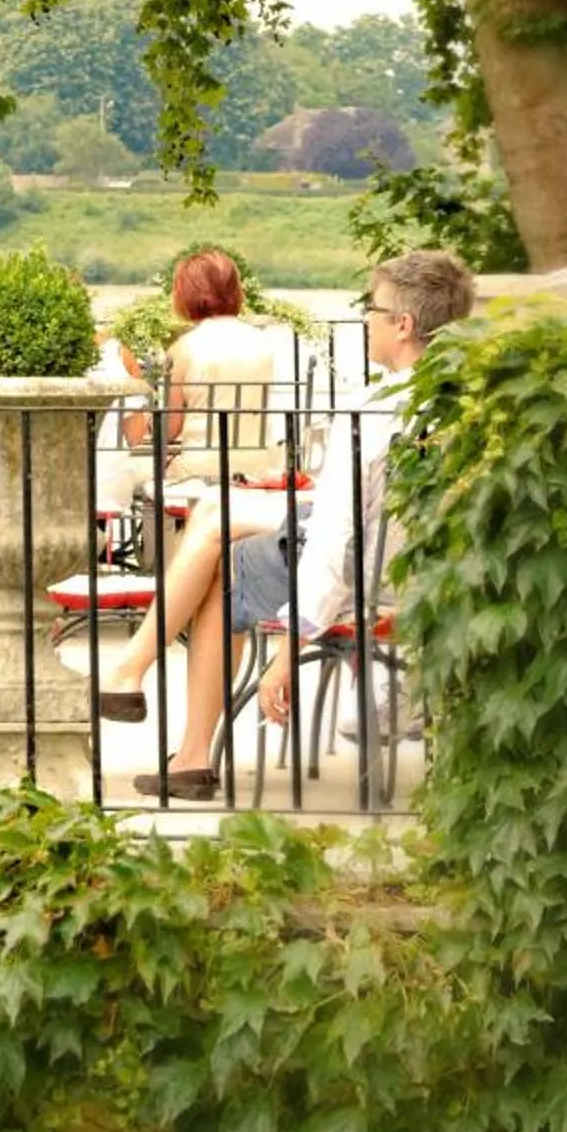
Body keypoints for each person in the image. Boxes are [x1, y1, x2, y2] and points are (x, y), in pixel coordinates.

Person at [96, 246, 476, 798]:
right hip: (419, 565)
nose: (365, 317)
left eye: (371, 308)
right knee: (215, 514)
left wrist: (288, 650)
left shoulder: (373, 412)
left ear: (403, 323)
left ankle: (184, 747)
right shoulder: (462, 401)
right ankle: (138, 684)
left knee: (220, 565)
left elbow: (335, 541)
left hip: (369, 572)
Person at [95, 247, 276, 519]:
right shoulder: (264, 343)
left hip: (199, 470)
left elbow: (170, 429)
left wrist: (147, 421)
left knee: (135, 473)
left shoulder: (184, 349)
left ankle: (156, 555)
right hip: (257, 467)